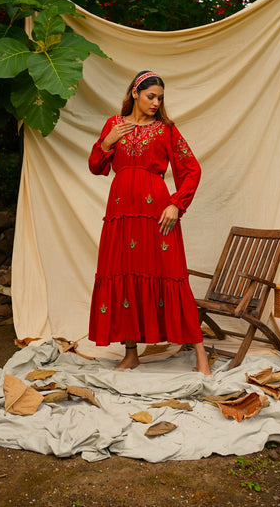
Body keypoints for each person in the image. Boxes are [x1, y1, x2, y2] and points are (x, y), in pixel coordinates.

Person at [88, 70, 211, 375]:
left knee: (171, 276)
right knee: (125, 274)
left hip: (155, 210)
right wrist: (107, 143)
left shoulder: (166, 130)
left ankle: (200, 355)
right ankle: (131, 354)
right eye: (151, 96)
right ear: (134, 93)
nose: (156, 102)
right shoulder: (114, 125)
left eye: (160, 97)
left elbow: (191, 169)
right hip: (121, 212)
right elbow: (95, 167)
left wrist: (175, 204)